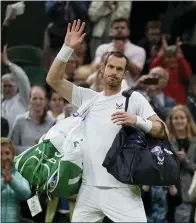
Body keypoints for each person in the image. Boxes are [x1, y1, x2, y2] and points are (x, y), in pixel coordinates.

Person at [46, 19, 167, 222]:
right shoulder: (88, 98)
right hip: (89, 190)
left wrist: (137, 120)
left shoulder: (134, 98)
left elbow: (161, 129)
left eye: (119, 69)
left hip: (123, 189)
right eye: (110, 67)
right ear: (102, 69)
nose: (114, 72)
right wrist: (67, 48)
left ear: (125, 74)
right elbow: (53, 80)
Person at [166, 105, 196, 222]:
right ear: (171, 121)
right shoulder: (164, 140)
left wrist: (185, 161)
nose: (179, 121)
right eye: (176, 118)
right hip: (168, 191)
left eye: (182, 118)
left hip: (189, 191)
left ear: (188, 120)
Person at [10, 86, 55, 155]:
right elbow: (12, 146)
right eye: (34, 98)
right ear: (29, 100)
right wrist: (31, 150)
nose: (38, 102)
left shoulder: (52, 122)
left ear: (46, 101)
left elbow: (54, 147)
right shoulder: (19, 120)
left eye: (41, 99)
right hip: (24, 161)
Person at [1, 138, 32, 223]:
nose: (4, 157)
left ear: (13, 154)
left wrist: (12, 181)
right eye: (0, 154)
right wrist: (3, 182)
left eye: (7, 153)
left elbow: (26, 194)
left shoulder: (20, 172)